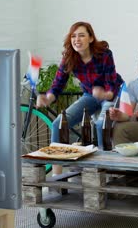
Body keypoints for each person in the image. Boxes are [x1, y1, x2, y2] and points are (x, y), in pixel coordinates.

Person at [37, 21, 123, 173]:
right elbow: (57, 85)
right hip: (90, 95)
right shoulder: (69, 58)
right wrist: (47, 98)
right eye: (73, 36)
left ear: (90, 38)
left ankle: (105, 172)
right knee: (58, 124)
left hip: (112, 94)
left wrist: (104, 94)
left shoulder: (104, 54)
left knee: (100, 125)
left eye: (81, 35)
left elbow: (111, 85)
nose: (77, 39)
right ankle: (57, 176)